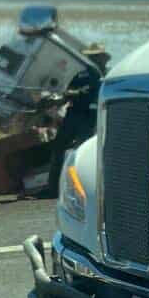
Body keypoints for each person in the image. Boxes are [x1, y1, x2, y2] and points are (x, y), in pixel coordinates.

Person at [39, 47, 110, 199]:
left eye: (95, 56)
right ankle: (53, 188)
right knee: (58, 148)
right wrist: (58, 99)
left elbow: (87, 91)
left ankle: (81, 190)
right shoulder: (78, 72)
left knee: (82, 154)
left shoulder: (99, 73)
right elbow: (67, 90)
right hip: (73, 115)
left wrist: (68, 94)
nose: (93, 59)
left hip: (88, 117)